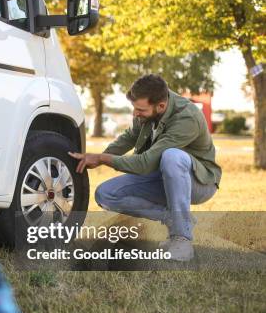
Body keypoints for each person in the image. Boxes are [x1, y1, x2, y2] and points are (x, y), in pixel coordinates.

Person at [69, 74, 221, 261]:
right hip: (161, 176)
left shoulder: (186, 117)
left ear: (161, 106)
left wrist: (102, 158)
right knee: (106, 194)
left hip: (199, 183)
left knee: (172, 156)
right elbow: (130, 137)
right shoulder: (149, 109)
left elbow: (144, 164)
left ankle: (182, 240)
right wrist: (98, 158)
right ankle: (174, 217)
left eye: (140, 109)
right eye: (134, 108)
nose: (135, 114)